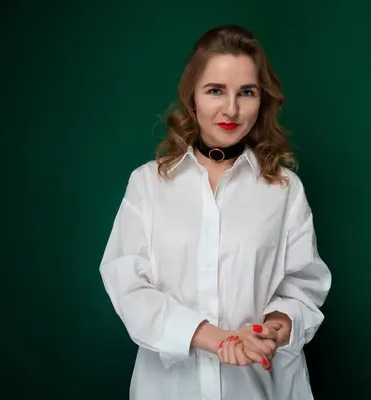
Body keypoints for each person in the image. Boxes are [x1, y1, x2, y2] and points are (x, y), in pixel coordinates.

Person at [99, 24, 332, 400]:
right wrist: (215, 339)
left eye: (246, 93)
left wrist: (272, 330)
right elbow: (129, 288)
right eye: (215, 91)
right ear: (192, 97)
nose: (231, 109)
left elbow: (303, 288)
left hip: (258, 388)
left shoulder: (284, 189)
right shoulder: (148, 184)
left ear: (262, 100)